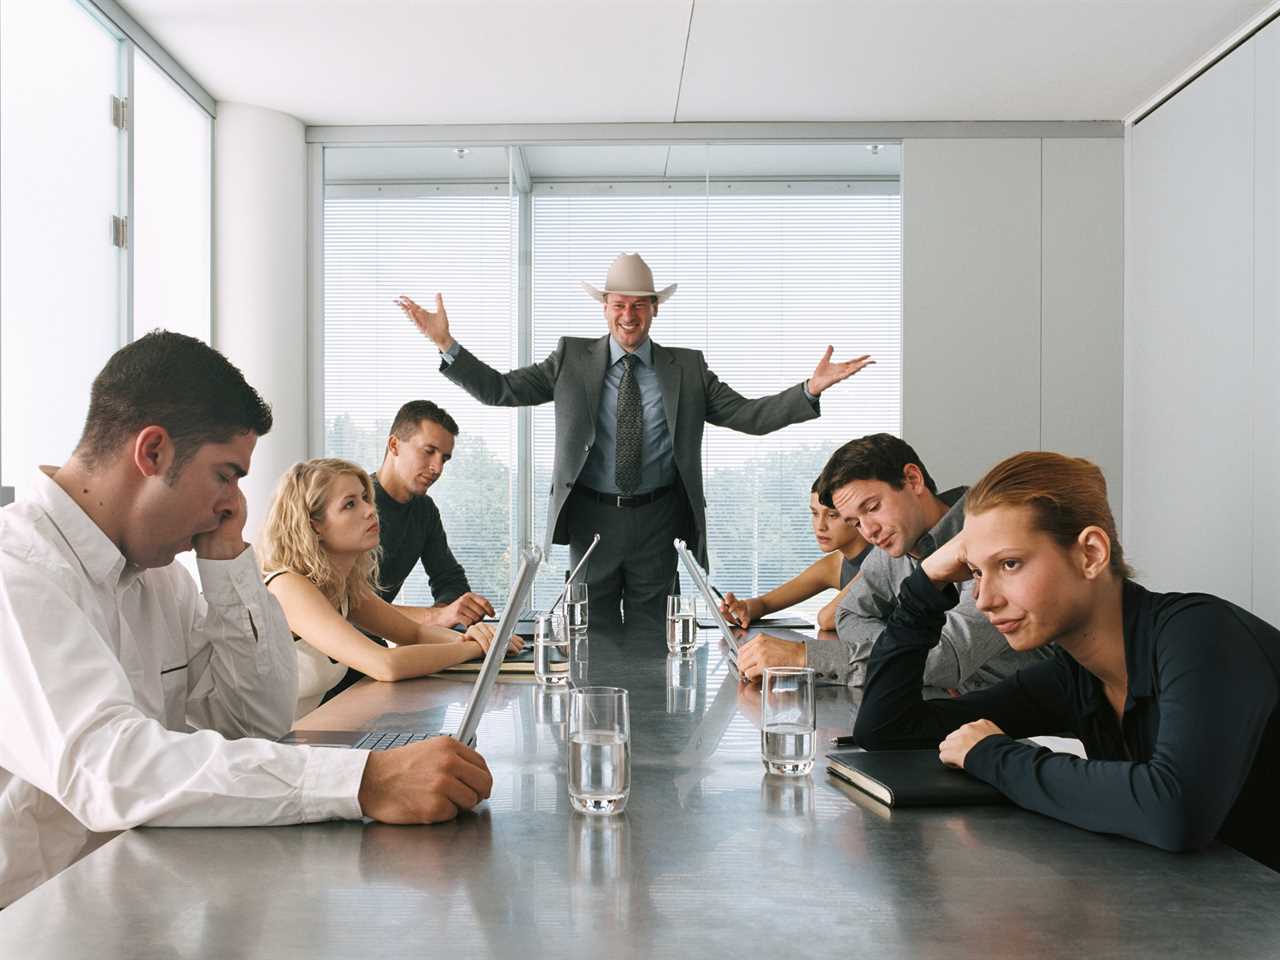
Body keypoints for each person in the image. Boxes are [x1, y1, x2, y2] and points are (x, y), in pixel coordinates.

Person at [0, 331, 494, 908]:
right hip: (33, 916)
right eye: (225, 475)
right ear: (153, 452)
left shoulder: (161, 578)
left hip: (133, 897)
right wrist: (365, 781)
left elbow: (254, 719)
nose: (234, 504)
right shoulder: (20, 572)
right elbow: (111, 768)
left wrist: (228, 562)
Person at [395, 252, 873, 631]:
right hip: (591, 517)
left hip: (659, 521)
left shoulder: (686, 367)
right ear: (604, 308)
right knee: (589, 636)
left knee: (655, 637)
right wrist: (447, 345)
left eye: (639, 305)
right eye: (619, 304)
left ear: (654, 310)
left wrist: (809, 390)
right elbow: (500, 390)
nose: (628, 315)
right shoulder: (570, 358)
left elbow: (748, 416)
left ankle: (654, 747)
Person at [854, 451, 1280, 871]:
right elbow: (888, 730)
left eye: (1010, 564)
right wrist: (924, 585)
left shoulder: (1203, 634)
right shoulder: (1075, 674)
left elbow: (1174, 810)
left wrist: (992, 755)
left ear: (1090, 553)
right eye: (977, 572)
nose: (984, 599)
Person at [735, 433, 1050, 687]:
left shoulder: (990, 531)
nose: (869, 531)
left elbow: (945, 660)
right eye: (856, 522)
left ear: (913, 480)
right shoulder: (896, 546)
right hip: (958, 710)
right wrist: (906, 654)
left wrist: (807, 658)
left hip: (1043, 730)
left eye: (872, 508)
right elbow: (849, 614)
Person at [260, 458, 512, 718]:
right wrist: (476, 648)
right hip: (260, 748)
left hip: (299, 739)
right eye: (349, 504)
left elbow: (415, 634)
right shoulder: (287, 586)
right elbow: (385, 665)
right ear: (315, 525)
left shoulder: (342, 587)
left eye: (365, 498)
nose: (370, 510)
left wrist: (483, 638)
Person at [372, 400, 494, 628]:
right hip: (326, 655)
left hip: (372, 643)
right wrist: (437, 617)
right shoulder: (356, 505)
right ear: (394, 445)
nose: (437, 468)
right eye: (429, 452)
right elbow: (349, 608)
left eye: (444, 458)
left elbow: (451, 582)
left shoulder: (424, 510)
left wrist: (445, 616)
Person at [719, 477, 871, 631]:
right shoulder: (834, 565)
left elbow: (827, 619)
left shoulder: (883, 559)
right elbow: (765, 604)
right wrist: (744, 608)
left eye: (832, 515)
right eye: (815, 513)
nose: (820, 526)